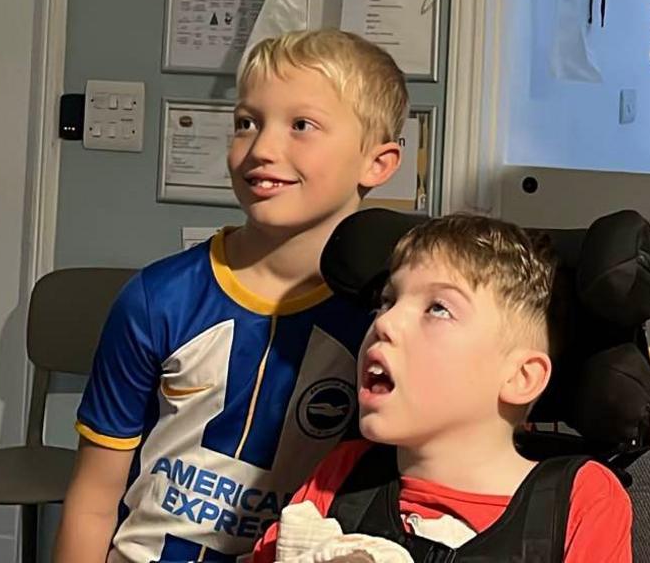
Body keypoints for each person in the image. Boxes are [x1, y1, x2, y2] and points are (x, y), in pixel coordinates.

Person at [56, 29, 407, 563]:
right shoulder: (157, 301)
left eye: (302, 126)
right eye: (247, 122)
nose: (262, 149)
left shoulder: (389, 321)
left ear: (376, 163)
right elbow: (93, 499)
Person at [250, 214, 633, 562]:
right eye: (386, 301)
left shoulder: (578, 500)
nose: (385, 323)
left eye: (438, 308)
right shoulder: (344, 474)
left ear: (520, 377)